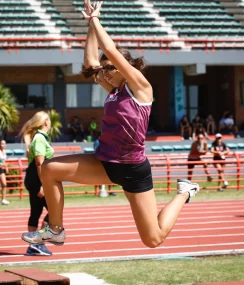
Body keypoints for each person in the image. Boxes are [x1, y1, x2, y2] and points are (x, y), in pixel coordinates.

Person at [21, 1, 200, 249]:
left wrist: (95, 19)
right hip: (104, 163)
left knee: (153, 239)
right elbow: (90, 63)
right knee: (50, 169)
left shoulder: (140, 86)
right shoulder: (114, 90)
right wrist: (90, 28)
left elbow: (111, 50)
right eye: (104, 70)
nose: (103, 73)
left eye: (108, 69)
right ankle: (56, 230)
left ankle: (184, 192)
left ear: (123, 67)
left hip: (132, 168)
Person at [19, 111, 53, 256]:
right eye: (49, 120)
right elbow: (39, 163)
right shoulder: (39, 138)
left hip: (34, 178)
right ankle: (38, 243)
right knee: (54, 210)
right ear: (46, 122)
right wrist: (44, 184)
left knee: (36, 212)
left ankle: (33, 246)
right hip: (37, 179)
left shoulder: (38, 137)